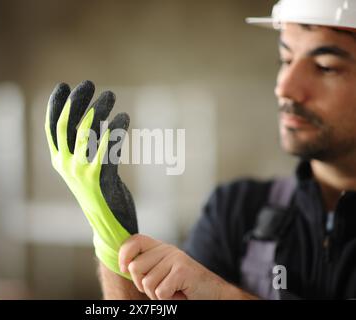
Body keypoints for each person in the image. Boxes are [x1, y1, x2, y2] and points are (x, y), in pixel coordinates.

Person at [45, 0, 356, 300]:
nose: (285, 86)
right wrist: (114, 242)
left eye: (325, 67)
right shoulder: (235, 212)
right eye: (286, 60)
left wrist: (224, 296)